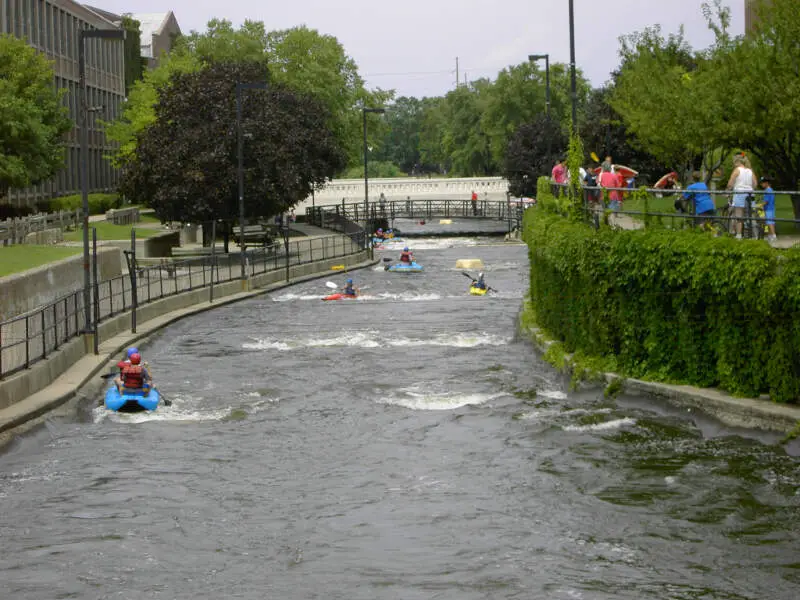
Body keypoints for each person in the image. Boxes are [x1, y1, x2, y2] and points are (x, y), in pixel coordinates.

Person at [726, 155, 758, 239]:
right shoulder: (750, 171)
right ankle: (755, 235)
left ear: (737, 162)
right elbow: (755, 184)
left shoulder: (737, 170)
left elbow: (730, 183)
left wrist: (728, 190)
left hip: (739, 193)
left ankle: (739, 235)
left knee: (739, 216)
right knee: (751, 215)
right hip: (750, 194)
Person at [759, 176, 777, 242]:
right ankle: (770, 236)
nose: (761, 184)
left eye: (762, 183)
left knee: (770, 222)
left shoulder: (768, 190)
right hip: (770, 208)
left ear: (766, 183)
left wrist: (760, 205)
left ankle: (774, 235)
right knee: (769, 222)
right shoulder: (769, 190)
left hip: (769, 209)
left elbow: (766, 201)